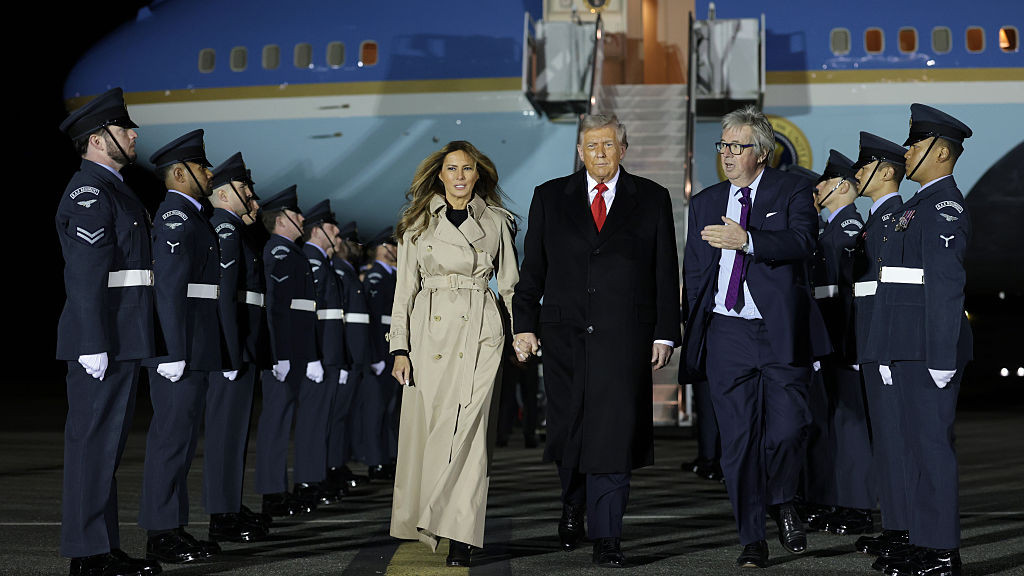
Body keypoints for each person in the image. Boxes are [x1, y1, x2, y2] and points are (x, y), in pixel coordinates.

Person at [513, 114, 680, 568]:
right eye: (591, 146)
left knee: (612, 432)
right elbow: (534, 270)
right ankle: (573, 501)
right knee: (569, 429)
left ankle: (609, 534)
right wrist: (523, 323)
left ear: (623, 148)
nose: (600, 153)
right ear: (580, 152)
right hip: (564, 337)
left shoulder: (651, 198)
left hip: (624, 337)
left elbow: (665, 271)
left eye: (608, 144)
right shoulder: (549, 198)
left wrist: (666, 331)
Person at [682, 105, 828, 569]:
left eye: (737, 146)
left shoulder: (792, 190)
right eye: (722, 145)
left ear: (761, 153)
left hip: (778, 330)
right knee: (738, 441)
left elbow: (804, 242)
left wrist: (748, 240)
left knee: (789, 429)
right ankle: (751, 537)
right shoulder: (704, 202)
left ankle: (784, 498)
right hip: (726, 332)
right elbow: (694, 269)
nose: (726, 154)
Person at [388, 140, 519, 567]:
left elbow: (511, 285)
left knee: (472, 433)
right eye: (452, 169)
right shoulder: (415, 224)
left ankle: (460, 533)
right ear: (439, 175)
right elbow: (404, 290)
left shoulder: (498, 222)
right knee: (434, 429)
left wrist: (522, 334)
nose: (460, 176)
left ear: (478, 174)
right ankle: (433, 517)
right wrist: (400, 348)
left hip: (482, 330)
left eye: (467, 168)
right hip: (430, 334)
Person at [56, 87, 162, 576]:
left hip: (123, 335)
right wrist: (92, 343)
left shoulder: (117, 189)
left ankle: (101, 545)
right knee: (91, 445)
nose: (133, 133)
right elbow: (84, 275)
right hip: (102, 339)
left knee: (107, 446)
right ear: (98, 140)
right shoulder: (89, 192)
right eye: (124, 128)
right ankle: (87, 554)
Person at [868, 104, 973, 576]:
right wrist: (888, 349)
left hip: (930, 349)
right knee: (913, 446)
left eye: (915, 144)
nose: (906, 151)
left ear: (942, 151)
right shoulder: (915, 206)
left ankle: (942, 551)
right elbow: (895, 285)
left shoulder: (944, 205)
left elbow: (946, 286)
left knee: (931, 449)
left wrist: (942, 354)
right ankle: (921, 539)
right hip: (905, 346)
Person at [139, 129, 224, 564]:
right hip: (180, 349)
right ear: (179, 173)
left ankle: (173, 528)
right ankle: (160, 533)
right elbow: (169, 290)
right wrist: (171, 352)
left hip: (194, 345)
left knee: (183, 441)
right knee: (170, 441)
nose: (209, 173)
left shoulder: (193, 215)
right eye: (201, 167)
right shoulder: (175, 216)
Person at [847, 132, 911, 560]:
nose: (857, 173)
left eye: (865, 166)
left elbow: (898, 294)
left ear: (886, 172)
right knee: (885, 442)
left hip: (886, 346)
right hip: (871, 346)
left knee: (897, 441)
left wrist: (883, 348)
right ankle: (896, 525)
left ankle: (906, 528)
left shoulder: (896, 220)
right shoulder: (877, 220)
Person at [807, 151, 875, 536]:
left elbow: (849, 297)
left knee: (851, 427)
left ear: (842, 186)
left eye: (824, 182)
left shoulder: (849, 229)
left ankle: (858, 506)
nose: (817, 188)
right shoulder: (830, 230)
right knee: (834, 423)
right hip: (830, 342)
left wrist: (848, 348)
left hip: (844, 344)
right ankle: (840, 500)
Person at [205, 152, 272, 542]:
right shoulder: (225, 229)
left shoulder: (238, 232)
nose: (253, 200)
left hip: (242, 348)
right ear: (226, 193)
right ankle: (221, 512)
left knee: (234, 434)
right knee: (224, 433)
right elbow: (225, 298)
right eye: (246, 191)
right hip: (232, 351)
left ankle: (229, 505)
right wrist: (230, 352)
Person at [254, 185, 324, 517]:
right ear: (282, 220)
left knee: (284, 421)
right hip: (283, 354)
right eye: (296, 215)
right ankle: (272, 492)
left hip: (294, 352)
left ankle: (278, 489)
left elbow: (302, 312)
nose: (301, 219)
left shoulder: (290, 253)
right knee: (276, 423)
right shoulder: (278, 252)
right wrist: (278, 354)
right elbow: (276, 309)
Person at [297, 199, 348, 505]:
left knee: (322, 420)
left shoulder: (322, 261)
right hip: (319, 354)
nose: (337, 232)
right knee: (312, 421)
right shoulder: (312, 261)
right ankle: (306, 480)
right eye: (331, 227)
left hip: (329, 353)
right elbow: (308, 317)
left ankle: (315, 477)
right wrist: (313, 355)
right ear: (317, 231)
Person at [325, 221, 371, 490]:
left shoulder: (348, 272)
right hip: (345, 356)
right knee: (335, 416)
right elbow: (339, 322)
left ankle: (337, 464)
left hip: (353, 356)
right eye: (352, 243)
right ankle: (330, 467)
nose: (357, 249)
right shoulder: (340, 272)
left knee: (342, 416)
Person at [361, 227, 400, 481]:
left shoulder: (393, 275)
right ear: (382, 249)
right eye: (393, 245)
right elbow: (374, 320)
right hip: (382, 350)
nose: (398, 250)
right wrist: (375, 355)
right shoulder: (375, 277)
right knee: (377, 410)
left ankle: (389, 456)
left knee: (392, 408)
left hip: (393, 348)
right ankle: (376, 460)